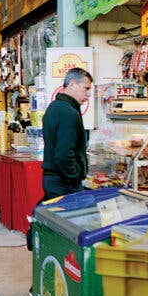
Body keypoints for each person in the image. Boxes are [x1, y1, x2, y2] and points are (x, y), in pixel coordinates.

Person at [41, 68, 92, 199]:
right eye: (86, 88)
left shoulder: (55, 107)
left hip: (55, 180)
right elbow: (64, 153)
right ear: (73, 84)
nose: (89, 94)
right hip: (64, 183)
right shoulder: (67, 111)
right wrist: (74, 177)